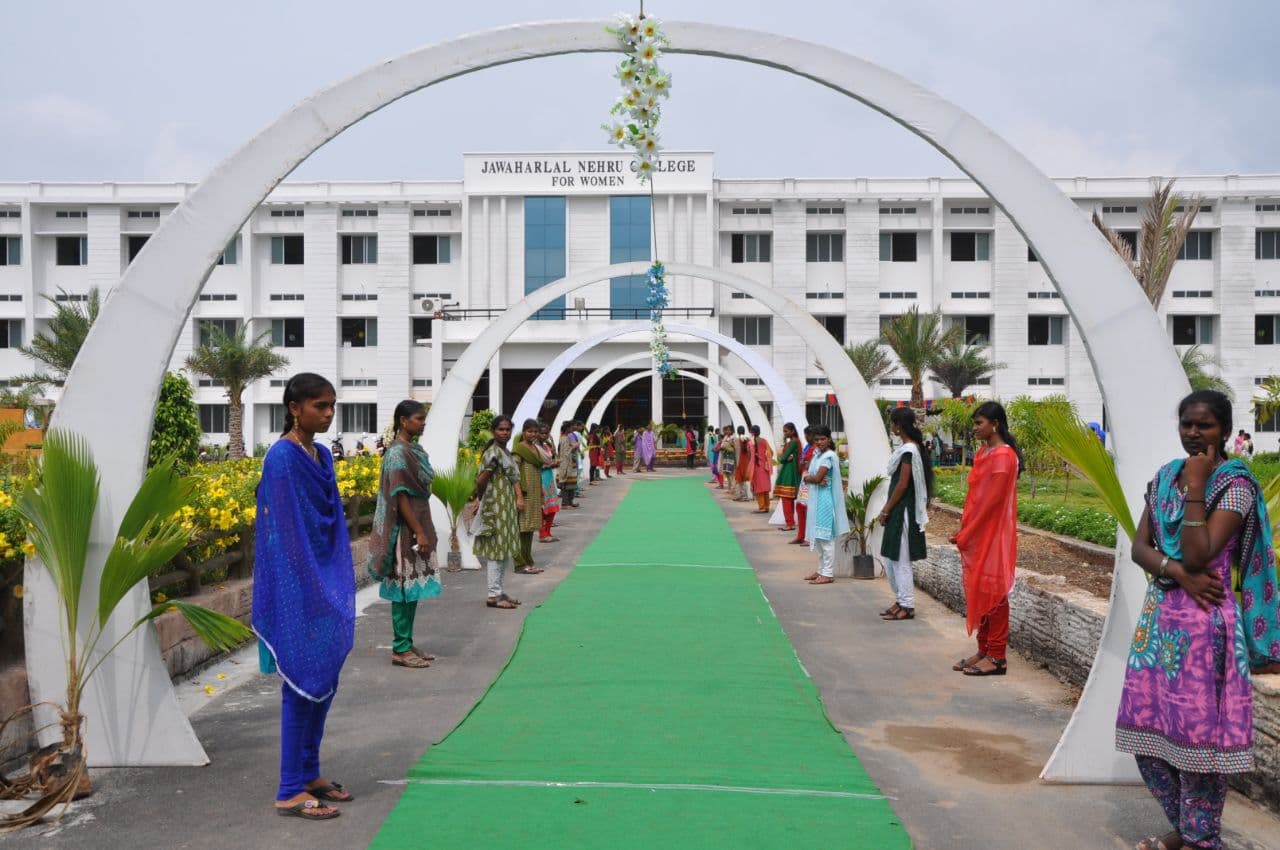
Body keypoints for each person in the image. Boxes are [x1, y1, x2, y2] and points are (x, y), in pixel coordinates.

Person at [1116, 390, 1280, 850]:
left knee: (1199, 742)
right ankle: (1190, 831)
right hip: (1160, 624)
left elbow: (1200, 552)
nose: (1193, 433)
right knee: (1149, 737)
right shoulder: (1166, 475)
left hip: (1206, 627)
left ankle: (1199, 838)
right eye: (1186, 424)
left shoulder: (1235, 484)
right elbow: (1140, 548)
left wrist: (1196, 488)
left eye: (1204, 425)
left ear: (1224, 431)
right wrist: (1178, 576)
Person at [253, 372, 355, 820]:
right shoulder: (281, 457)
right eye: (319, 406)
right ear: (294, 407)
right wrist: (310, 585)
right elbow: (287, 531)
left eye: (332, 405)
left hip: (324, 578)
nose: (328, 413)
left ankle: (310, 771)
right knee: (299, 684)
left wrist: (332, 579)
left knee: (324, 680)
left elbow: (328, 519)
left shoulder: (321, 454)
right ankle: (289, 788)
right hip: (297, 584)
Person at [948, 401, 1021, 676]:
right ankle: (984, 649)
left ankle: (998, 655)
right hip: (979, 531)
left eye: (979, 423)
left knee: (995, 591)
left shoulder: (1003, 456)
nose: (975, 428)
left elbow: (992, 503)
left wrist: (969, 532)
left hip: (993, 533)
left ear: (995, 424)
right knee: (981, 588)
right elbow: (976, 499)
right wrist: (964, 527)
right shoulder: (985, 453)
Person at [366, 399, 439, 669]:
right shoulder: (397, 453)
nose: (423, 422)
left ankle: (407, 642)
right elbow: (400, 496)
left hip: (418, 523)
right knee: (402, 588)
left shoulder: (414, 449)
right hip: (404, 529)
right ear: (403, 421)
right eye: (419, 418)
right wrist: (419, 531)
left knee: (413, 588)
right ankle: (399, 648)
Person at [878, 407, 932, 621]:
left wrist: (886, 509)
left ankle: (908, 605)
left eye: (893, 423)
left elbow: (902, 484)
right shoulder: (907, 449)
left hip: (903, 511)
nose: (892, 427)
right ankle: (901, 599)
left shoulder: (909, 450)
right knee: (892, 557)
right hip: (898, 509)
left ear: (898, 424)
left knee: (900, 559)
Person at [472, 415, 524, 610]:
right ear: (494, 431)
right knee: (496, 551)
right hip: (495, 506)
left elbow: (512, 478)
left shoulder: (505, 452)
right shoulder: (493, 453)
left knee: (504, 550)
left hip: (506, 506)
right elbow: (480, 480)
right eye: (501, 429)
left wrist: (518, 497)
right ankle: (493, 594)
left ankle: (500, 591)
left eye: (508, 429)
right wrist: (480, 499)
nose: (505, 433)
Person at [802, 425, 848, 585]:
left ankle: (827, 573)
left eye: (823, 439)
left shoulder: (828, 456)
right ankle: (821, 569)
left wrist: (809, 478)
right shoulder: (817, 455)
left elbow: (815, 477)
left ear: (829, 439)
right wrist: (810, 477)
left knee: (825, 539)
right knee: (819, 540)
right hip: (817, 500)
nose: (820, 442)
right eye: (816, 440)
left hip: (825, 501)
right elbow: (807, 472)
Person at [511, 419, 547, 574]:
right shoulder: (519, 450)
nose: (533, 434)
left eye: (535, 431)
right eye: (529, 431)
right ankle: (519, 563)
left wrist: (541, 489)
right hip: (524, 493)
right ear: (523, 432)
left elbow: (537, 470)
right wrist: (518, 496)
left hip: (534, 492)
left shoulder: (536, 449)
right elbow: (514, 474)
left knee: (529, 528)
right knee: (521, 528)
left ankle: (528, 561)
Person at [773, 423, 801, 531]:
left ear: (792, 431)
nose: (784, 433)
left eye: (786, 431)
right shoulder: (793, 442)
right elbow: (784, 457)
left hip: (789, 473)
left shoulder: (794, 442)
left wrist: (784, 457)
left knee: (786, 499)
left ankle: (790, 524)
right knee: (787, 499)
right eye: (784, 431)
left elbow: (782, 458)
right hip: (789, 471)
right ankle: (790, 523)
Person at [536, 422, 561, 542]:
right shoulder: (534, 447)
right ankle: (542, 534)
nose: (544, 435)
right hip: (540, 477)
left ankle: (548, 532)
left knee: (552, 507)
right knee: (542, 507)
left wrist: (553, 464)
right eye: (541, 433)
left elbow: (551, 458)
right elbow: (535, 465)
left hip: (549, 478)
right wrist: (549, 465)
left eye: (546, 433)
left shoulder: (546, 446)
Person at [792, 426, 816, 545]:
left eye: (808, 435)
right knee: (800, 506)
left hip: (812, 480)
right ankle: (801, 535)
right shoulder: (807, 447)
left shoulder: (816, 448)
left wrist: (806, 463)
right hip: (804, 478)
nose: (806, 437)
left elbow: (812, 464)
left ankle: (809, 537)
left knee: (808, 508)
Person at [750, 424, 774, 513]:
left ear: (752, 433)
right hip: (764, 467)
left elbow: (749, 455)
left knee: (759, 487)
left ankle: (762, 507)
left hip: (756, 467)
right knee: (765, 487)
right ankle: (767, 506)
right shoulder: (764, 441)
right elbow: (771, 452)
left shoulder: (750, 442)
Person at [557, 422, 578, 509]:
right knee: (565, 484)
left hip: (571, 463)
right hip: (566, 464)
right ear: (567, 428)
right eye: (570, 427)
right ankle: (565, 503)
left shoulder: (566, 437)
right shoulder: (564, 438)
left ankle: (570, 501)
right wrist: (574, 446)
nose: (572, 428)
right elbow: (566, 452)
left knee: (571, 484)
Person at [734, 425, 753, 501]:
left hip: (739, 461)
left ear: (738, 432)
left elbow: (735, 451)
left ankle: (740, 495)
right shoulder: (748, 440)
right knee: (744, 479)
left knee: (738, 478)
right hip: (746, 462)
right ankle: (745, 496)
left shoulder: (737, 440)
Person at [717, 424, 735, 492]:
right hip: (725, 457)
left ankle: (732, 488)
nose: (727, 431)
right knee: (726, 473)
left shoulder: (734, 437)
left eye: (729, 430)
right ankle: (729, 487)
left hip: (731, 458)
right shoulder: (726, 437)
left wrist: (729, 445)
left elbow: (735, 447)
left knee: (731, 473)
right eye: (727, 430)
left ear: (732, 430)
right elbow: (723, 445)